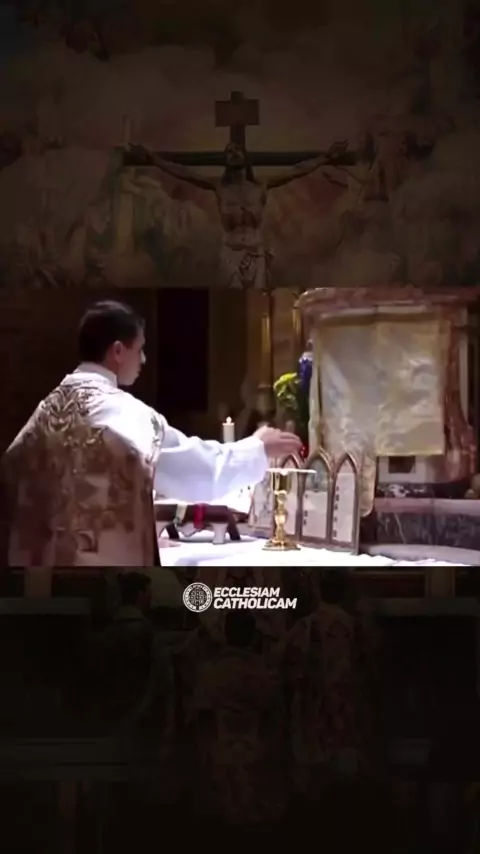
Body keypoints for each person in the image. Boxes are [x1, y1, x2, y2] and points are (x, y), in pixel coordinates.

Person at [1, 300, 301, 567]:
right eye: (140, 349)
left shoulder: (44, 411)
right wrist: (257, 447)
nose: (143, 360)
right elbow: (196, 471)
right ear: (118, 351)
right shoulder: (122, 413)